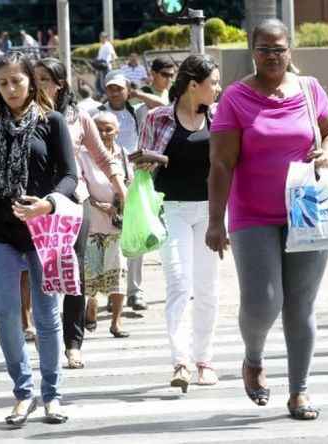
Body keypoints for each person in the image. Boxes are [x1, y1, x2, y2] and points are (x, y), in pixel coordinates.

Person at [205, 19, 328, 420]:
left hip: (306, 210)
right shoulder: (235, 97)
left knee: (300, 304)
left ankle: (299, 391)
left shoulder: (309, 89)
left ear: (290, 50)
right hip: (252, 214)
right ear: (252, 51)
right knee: (264, 300)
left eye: (278, 48)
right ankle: (253, 358)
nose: (271, 56)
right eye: (264, 49)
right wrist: (216, 221)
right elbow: (221, 162)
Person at [0, 51, 76, 425]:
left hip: (44, 230)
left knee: (46, 315)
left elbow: (70, 176)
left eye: (17, 81)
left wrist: (48, 204)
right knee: (7, 316)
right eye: (3, 83)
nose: (10, 88)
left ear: (32, 81)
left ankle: (52, 394)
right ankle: (23, 393)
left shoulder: (52, 122)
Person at [34, 57, 127, 369]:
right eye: (35, 79)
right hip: (37, 203)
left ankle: (73, 344)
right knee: (41, 271)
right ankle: (45, 334)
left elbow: (102, 156)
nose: (38, 85)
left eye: (44, 79)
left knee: (74, 271)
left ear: (60, 84)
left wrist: (120, 187)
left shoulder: (79, 118)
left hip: (74, 200)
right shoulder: (24, 115)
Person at [138, 54, 222, 393]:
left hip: (211, 212)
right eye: (213, 83)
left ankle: (204, 359)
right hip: (171, 209)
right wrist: (151, 160)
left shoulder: (218, 118)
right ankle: (181, 362)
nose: (217, 89)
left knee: (207, 289)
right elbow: (141, 161)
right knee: (178, 284)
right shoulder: (158, 117)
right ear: (193, 85)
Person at [90, 71, 148, 312]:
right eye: (110, 88)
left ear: (127, 90)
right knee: (103, 239)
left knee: (133, 237)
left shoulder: (137, 111)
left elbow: (164, 104)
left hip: (131, 179)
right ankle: (108, 293)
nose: (114, 93)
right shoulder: (95, 113)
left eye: (119, 88)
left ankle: (134, 292)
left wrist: (137, 93)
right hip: (101, 181)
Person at [82, 111, 132, 338]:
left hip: (118, 226)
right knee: (92, 273)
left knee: (118, 273)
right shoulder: (82, 155)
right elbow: (78, 187)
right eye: (98, 129)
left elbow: (130, 186)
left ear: (117, 131)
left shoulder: (124, 156)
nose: (103, 134)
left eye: (108, 129)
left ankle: (116, 321)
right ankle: (91, 305)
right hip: (92, 224)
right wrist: (99, 204)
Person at [95, 31, 117, 98]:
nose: (101, 38)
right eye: (100, 37)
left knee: (104, 84)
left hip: (105, 67)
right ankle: (104, 96)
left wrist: (113, 62)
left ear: (106, 38)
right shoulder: (102, 45)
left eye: (102, 37)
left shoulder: (108, 45)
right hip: (100, 66)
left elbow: (113, 55)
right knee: (97, 84)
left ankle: (107, 97)